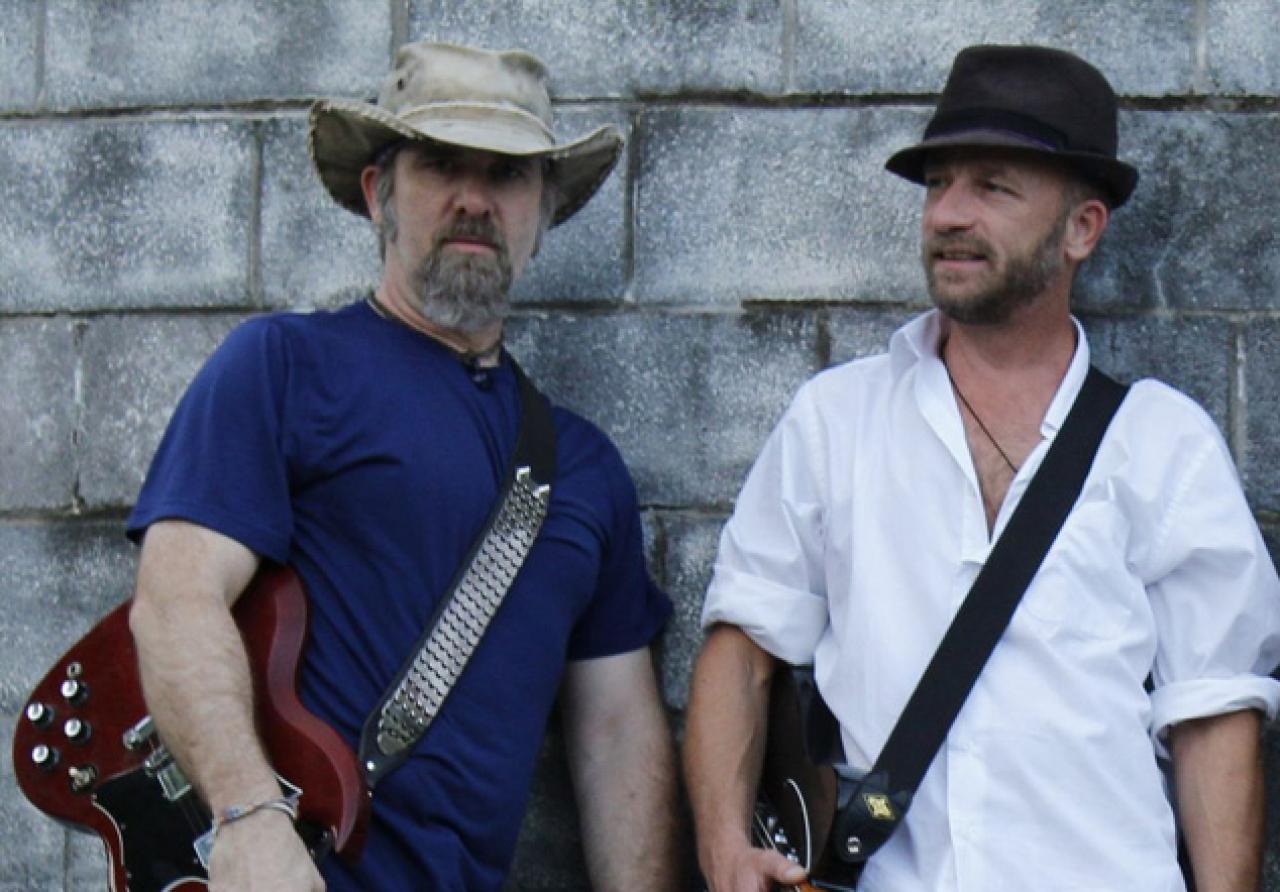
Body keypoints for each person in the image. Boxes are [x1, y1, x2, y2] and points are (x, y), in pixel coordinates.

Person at [683, 44, 1280, 892]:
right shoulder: (836, 420)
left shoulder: (1164, 443)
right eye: (938, 185)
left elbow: (1213, 716)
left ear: (1082, 229)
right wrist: (722, 852)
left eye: (993, 187)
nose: (949, 215)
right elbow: (743, 645)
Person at [126, 41, 677, 891]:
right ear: (378, 192)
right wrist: (248, 818)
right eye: (441, 165)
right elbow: (175, 600)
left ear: (543, 212)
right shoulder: (284, 367)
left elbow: (616, 740)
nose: (474, 200)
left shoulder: (586, 470)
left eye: (508, 175)